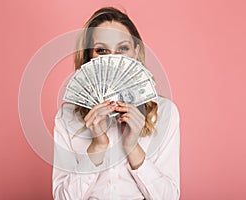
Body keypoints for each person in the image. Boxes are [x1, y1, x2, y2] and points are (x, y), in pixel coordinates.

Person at [52, 7, 180, 200]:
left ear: (136, 52)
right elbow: (63, 197)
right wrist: (97, 146)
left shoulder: (165, 112)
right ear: (89, 58)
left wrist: (132, 147)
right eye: (102, 50)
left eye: (123, 48)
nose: (113, 59)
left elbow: (169, 197)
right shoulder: (67, 116)